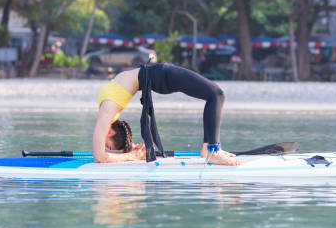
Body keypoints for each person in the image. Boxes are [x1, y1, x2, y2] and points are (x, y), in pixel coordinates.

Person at [93, 62, 240, 166]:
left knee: (217, 95)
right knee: (215, 95)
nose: (106, 148)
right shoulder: (109, 109)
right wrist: (132, 151)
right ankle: (209, 149)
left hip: (162, 74)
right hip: (159, 73)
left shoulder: (107, 112)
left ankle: (212, 151)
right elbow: (103, 155)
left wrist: (131, 155)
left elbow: (100, 156)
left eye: (109, 147)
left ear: (111, 132)